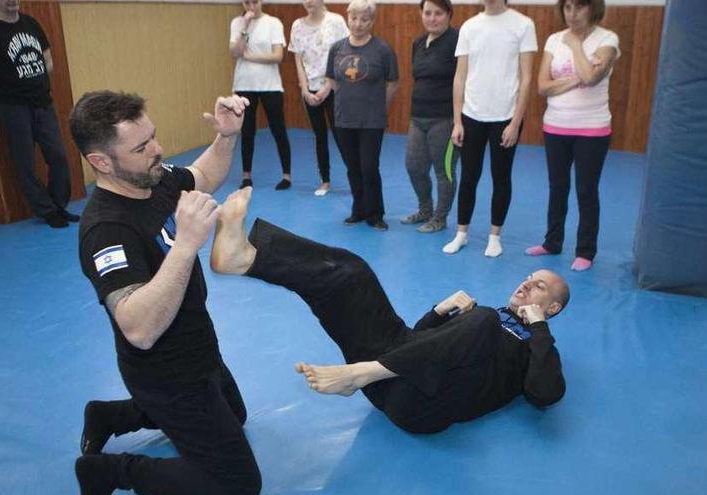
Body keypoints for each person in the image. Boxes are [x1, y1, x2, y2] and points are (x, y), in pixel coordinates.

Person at [210, 187, 568, 434]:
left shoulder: (535, 345)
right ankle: (247, 259)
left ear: (552, 307)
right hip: (390, 375)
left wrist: (538, 331)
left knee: (486, 319)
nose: (525, 284)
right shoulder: (482, 314)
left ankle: (359, 373)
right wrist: (438, 313)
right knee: (354, 273)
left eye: (539, 286)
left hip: (422, 403)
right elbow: (416, 343)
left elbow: (545, 394)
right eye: (528, 277)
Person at [70, 91, 261, 495]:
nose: (157, 150)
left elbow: (203, 175)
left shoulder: (151, 177)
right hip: (166, 375)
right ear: (101, 163)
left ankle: (113, 415)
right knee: (239, 484)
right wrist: (187, 244)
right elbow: (139, 329)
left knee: (237, 416)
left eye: (153, 137)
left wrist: (226, 137)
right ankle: (111, 471)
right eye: (141, 147)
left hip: (201, 348)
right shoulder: (107, 230)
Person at [0, 0, 77, 228]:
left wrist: (36, 81)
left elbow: (48, 59)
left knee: (58, 157)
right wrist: (3, 90)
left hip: (42, 102)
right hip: (13, 107)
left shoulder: (31, 24)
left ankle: (58, 205)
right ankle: (47, 211)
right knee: (25, 163)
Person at [526, 0, 620, 272]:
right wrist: (577, 78)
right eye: (567, 7)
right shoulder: (554, 40)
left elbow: (591, 78)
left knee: (586, 190)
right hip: (555, 126)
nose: (572, 14)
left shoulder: (607, 39)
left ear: (593, 8)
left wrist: (577, 45)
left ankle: (585, 250)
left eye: (579, 7)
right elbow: (542, 86)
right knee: (557, 187)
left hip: (592, 128)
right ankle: (552, 242)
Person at [443, 0, 536, 255]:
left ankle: (495, 236)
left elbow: (527, 78)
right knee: (469, 176)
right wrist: (457, 121)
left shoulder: (523, 25)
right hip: (472, 114)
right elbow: (460, 76)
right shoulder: (470, 27)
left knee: (501, 176)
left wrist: (516, 122)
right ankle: (462, 232)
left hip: (505, 116)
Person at [317, 0, 399, 231]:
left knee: (369, 166)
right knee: (352, 166)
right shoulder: (337, 48)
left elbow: (393, 83)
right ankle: (359, 209)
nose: (358, 24)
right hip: (343, 119)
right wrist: (332, 96)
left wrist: (380, 107)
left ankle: (375, 213)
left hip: (372, 120)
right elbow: (331, 79)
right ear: (348, 19)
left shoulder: (382, 50)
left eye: (364, 19)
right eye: (354, 18)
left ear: (372, 21)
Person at [401, 0, 459, 234]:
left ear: (449, 15)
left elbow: (462, 80)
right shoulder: (418, 43)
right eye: (428, 13)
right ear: (421, 14)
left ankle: (440, 217)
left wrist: (458, 121)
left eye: (438, 13)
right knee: (414, 167)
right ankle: (425, 209)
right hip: (418, 117)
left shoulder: (457, 41)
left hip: (445, 119)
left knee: (443, 171)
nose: (432, 18)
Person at [230, 0, 293, 191]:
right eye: (247, 2)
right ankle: (246, 176)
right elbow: (234, 52)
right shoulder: (236, 23)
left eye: (255, 2)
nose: (251, 6)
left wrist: (249, 56)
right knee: (247, 131)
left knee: (278, 129)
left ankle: (286, 176)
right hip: (244, 84)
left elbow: (277, 56)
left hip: (270, 85)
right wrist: (245, 27)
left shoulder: (273, 23)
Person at [289, 0, 349, 197]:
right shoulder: (297, 26)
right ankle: (325, 180)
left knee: (341, 134)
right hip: (310, 91)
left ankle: (356, 175)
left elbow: (344, 56)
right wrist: (304, 89)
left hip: (333, 89)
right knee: (319, 136)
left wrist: (328, 86)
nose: (308, 2)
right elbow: (298, 61)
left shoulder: (336, 21)